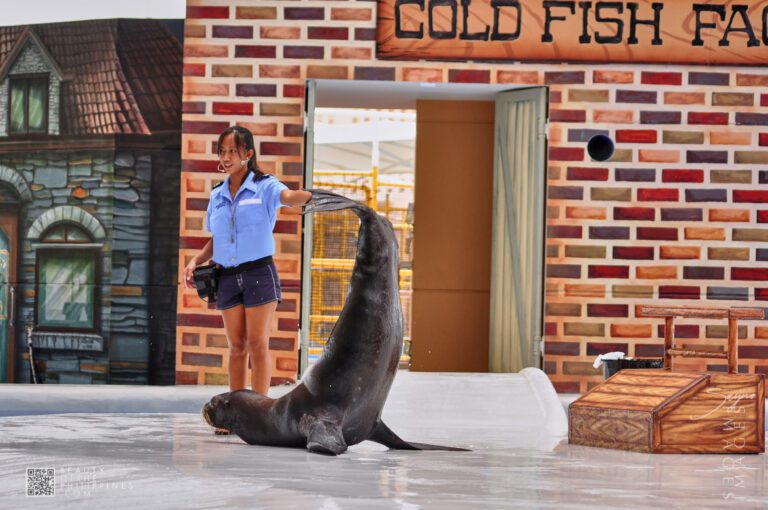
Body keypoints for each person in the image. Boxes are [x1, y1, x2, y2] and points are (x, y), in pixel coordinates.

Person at [183, 125, 311, 434]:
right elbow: (217, 237)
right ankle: (232, 415)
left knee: (257, 344)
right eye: (222, 152)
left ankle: (261, 413)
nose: (226, 158)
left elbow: (290, 197)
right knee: (236, 346)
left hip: (258, 273)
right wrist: (195, 261)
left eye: (232, 152)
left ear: (248, 154)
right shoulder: (217, 194)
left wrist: (310, 196)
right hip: (226, 276)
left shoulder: (265, 186)